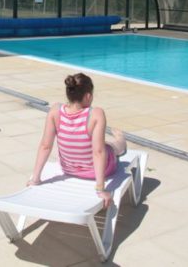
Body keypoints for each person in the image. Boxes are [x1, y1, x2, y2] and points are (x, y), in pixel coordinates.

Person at [27, 73, 127, 208]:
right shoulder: (96, 114)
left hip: (68, 169)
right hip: (100, 170)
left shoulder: (55, 111)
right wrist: (100, 189)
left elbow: (45, 146)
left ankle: (117, 140)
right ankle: (121, 139)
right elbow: (98, 152)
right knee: (113, 147)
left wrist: (35, 179)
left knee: (102, 145)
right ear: (88, 96)